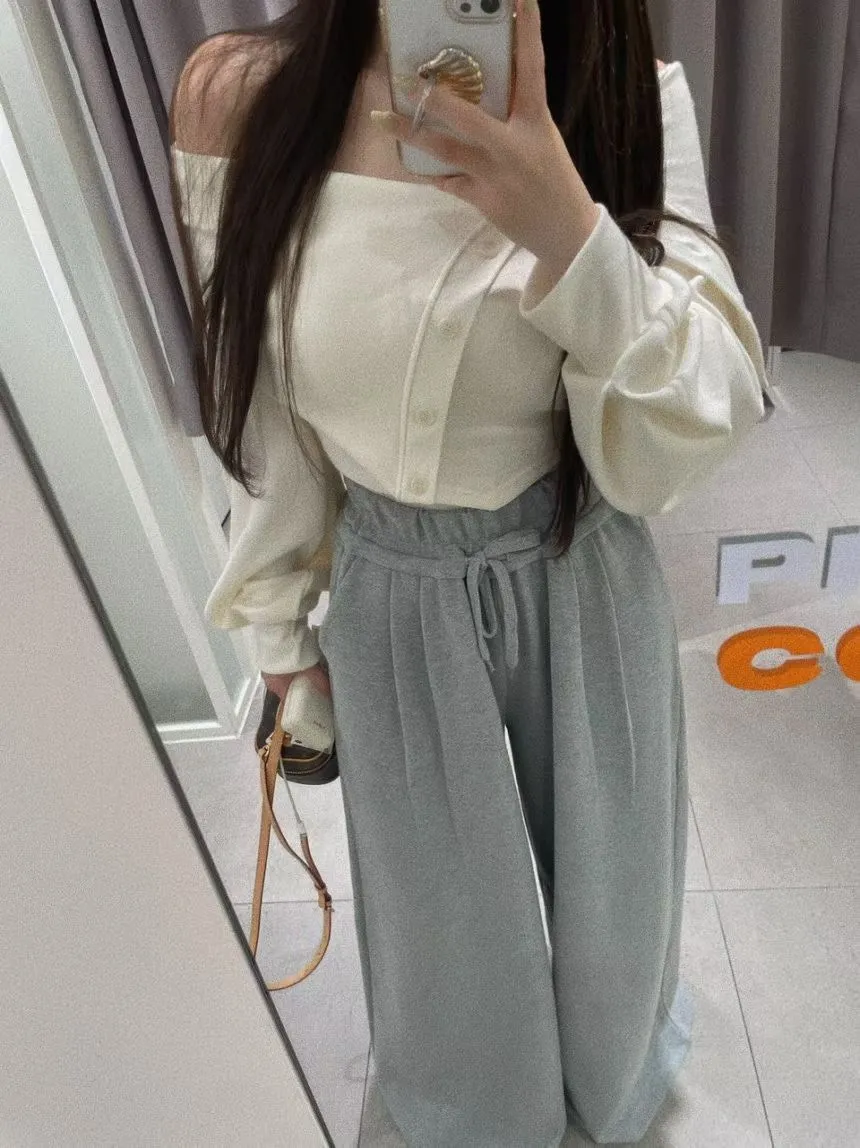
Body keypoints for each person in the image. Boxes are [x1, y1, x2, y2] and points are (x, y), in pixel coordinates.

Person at [169, 1, 769, 1144]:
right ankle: (476, 1111)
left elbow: (683, 436)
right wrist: (281, 631)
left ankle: (612, 1082)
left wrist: (568, 229)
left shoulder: (628, 98)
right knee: (439, 914)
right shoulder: (239, 97)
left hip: (579, 562)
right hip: (391, 582)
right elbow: (263, 414)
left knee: (614, 884)